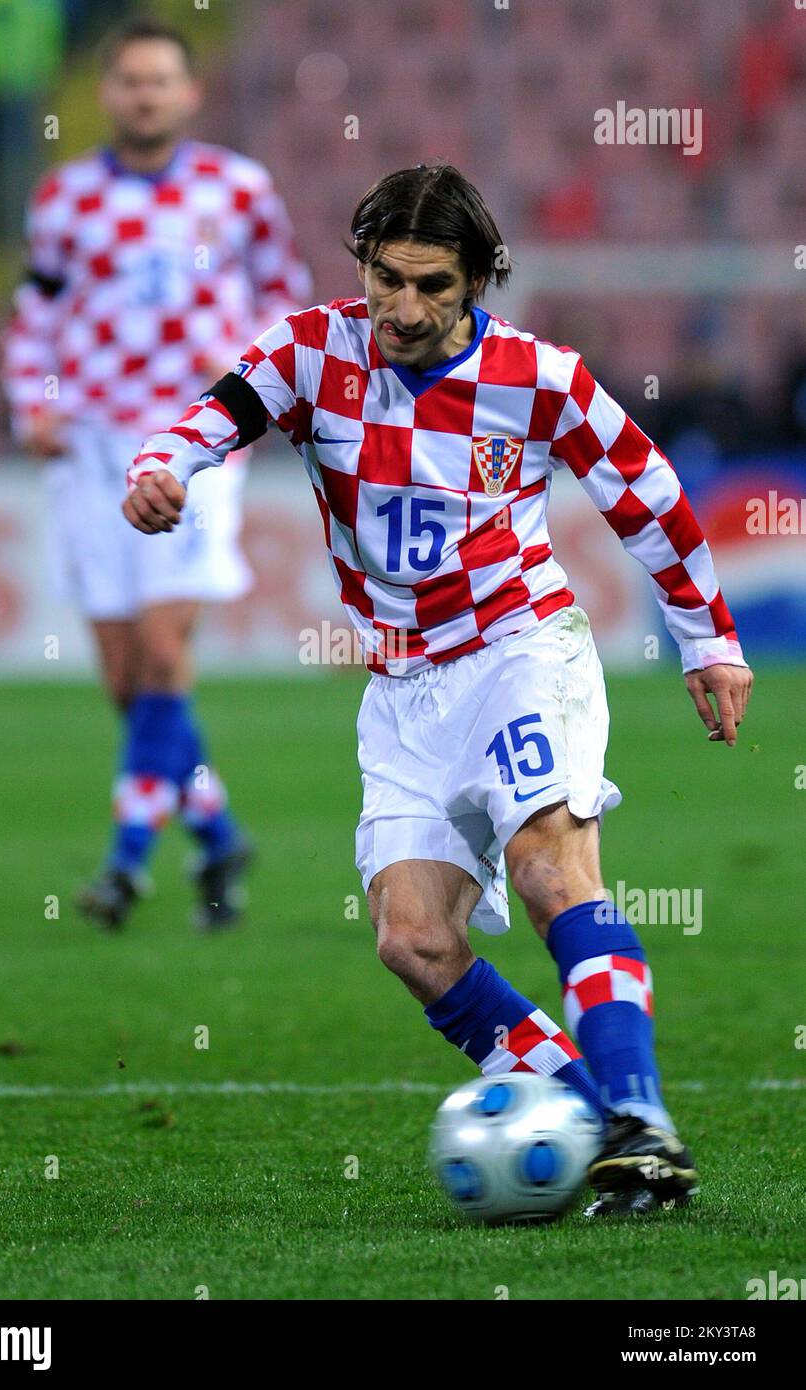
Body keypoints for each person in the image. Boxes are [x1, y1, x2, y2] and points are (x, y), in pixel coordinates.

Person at [121, 164, 752, 1216]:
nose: (404, 308)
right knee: (411, 939)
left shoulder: (538, 376)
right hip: (402, 685)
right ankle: (594, 1111)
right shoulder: (312, 350)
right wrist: (164, 469)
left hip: (518, 650)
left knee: (552, 869)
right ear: (362, 266)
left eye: (433, 286)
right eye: (387, 278)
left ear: (477, 284)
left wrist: (709, 640)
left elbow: (648, 494)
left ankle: (645, 1119)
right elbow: (212, 417)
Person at [2, 18, 311, 930]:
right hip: (91, 440)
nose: (145, 95)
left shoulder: (239, 189)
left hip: (195, 437)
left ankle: (126, 864)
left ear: (189, 92)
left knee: (167, 649)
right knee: (126, 678)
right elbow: (35, 312)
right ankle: (215, 832)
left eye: (160, 80)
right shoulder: (65, 197)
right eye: (130, 81)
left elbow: (283, 298)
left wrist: (261, 398)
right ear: (108, 94)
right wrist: (35, 405)